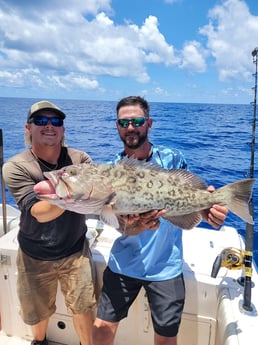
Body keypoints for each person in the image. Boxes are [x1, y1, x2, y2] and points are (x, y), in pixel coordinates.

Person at [92, 96, 228, 345]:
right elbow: (119, 224)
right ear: (117, 126)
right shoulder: (111, 168)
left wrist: (208, 209)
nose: (130, 127)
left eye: (137, 121)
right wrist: (133, 226)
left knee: (166, 339)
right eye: (124, 122)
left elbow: (189, 196)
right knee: (101, 328)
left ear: (149, 123)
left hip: (166, 265)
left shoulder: (173, 158)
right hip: (124, 262)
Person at [3, 100, 96, 345]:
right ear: (28, 128)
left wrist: (72, 190)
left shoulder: (80, 158)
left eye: (56, 121)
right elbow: (39, 212)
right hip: (34, 253)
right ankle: (39, 341)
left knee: (84, 307)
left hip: (75, 249)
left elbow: (95, 197)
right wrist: (76, 189)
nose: (49, 126)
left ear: (63, 129)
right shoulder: (15, 166)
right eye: (41, 121)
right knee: (37, 312)